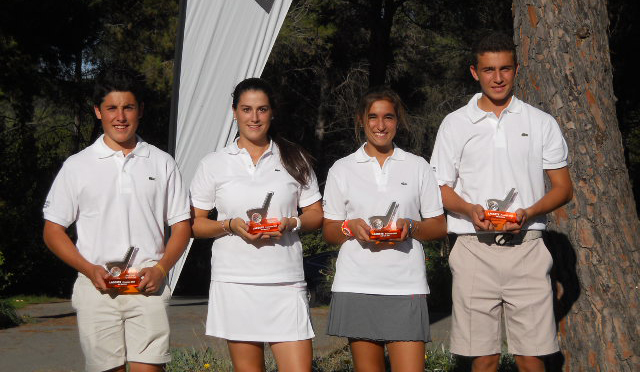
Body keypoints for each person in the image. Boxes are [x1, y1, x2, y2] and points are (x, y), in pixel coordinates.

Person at [430, 31, 573, 372]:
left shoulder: (541, 122)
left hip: (527, 248)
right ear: (474, 72)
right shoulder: (454, 124)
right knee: (482, 358)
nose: (497, 78)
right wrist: (468, 209)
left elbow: (563, 188)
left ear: (517, 70)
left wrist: (530, 212)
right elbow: (440, 188)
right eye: (489, 69)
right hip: (472, 247)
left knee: (532, 357)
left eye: (505, 69)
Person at [42, 69, 192, 372]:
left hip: (147, 287)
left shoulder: (162, 162)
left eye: (128, 107)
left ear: (140, 111)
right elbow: (53, 230)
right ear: (98, 112)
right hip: (97, 289)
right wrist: (88, 269)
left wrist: (161, 269)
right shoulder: (77, 166)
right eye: (112, 108)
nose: (120, 117)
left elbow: (182, 228)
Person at [190, 77, 323, 372]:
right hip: (235, 282)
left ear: (272, 112)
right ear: (234, 111)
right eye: (247, 109)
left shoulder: (294, 157)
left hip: (285, 282)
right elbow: (196, 225)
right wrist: (229, 225)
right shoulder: (213, 163)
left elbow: (316, 213)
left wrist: (292, 222)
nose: (254, 117)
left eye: (262, 109)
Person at [322, 87, 447, 372]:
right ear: (361, 120)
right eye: (373, 117)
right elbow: (329, 232)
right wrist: (350, 227)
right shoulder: (342, 169)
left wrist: (411, 227)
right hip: (357, 284)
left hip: (406, 285)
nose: (381, 125)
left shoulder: (418, 166)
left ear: (397, 120)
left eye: (388, 117)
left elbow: (439, 226)